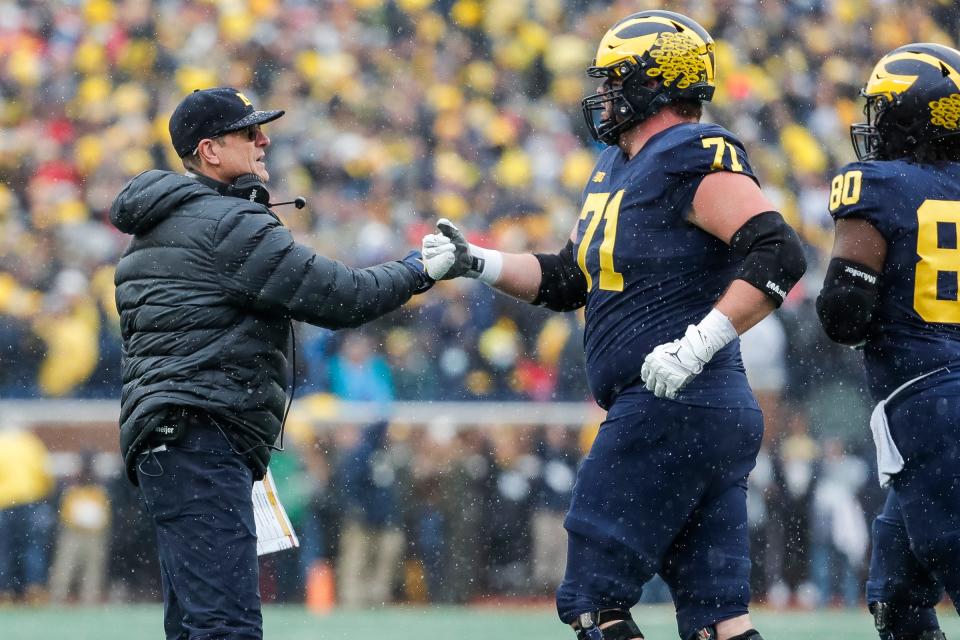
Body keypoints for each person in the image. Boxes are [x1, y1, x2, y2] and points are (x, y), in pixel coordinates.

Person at [423, 10, 806, 640]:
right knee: (719, 622)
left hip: (670, 405)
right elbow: (570, 277)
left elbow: (779, 251)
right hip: (696, 411)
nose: (602, 93)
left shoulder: (687, 152)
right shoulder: (619, 163)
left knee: (591, 601)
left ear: (655, 82)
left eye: (615, 78)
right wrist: (479, 262)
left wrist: (696, 343)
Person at [109, 87, 456, 639]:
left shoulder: (157, 230)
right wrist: (421, 268)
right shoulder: (226, 223)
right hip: (202, 439)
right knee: (227, 628)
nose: (264, 139)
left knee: (195, 625)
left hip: (173, 439)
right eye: (249, 132)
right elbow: (344, 295)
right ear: (210, 150)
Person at [816, 43, 960, 640]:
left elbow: (843, 312)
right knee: (896, 596)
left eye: (882, 111)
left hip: (929, 402)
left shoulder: (875, 185)